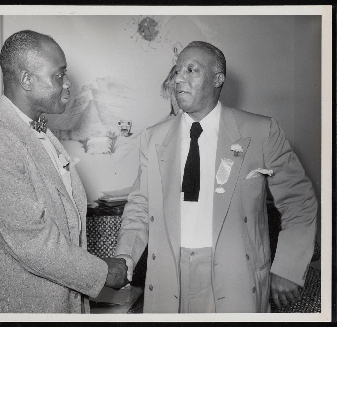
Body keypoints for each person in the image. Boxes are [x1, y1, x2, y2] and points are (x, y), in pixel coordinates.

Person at [115, 41, 317, 313]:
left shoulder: (261, 131)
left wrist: (289, 267)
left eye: (191, 70)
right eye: (177, 71)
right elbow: (140, 205)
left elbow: (298, 200)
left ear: (218, 78)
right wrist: (124, 258)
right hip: (168, 275)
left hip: (236, 275)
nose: (178, 79)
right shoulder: (154, 138)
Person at [0, 30, 128, 313]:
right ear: (26, 80)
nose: (67, 84)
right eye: (58, 75)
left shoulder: (40, 132)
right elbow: (33, 243)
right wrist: (103, 272)